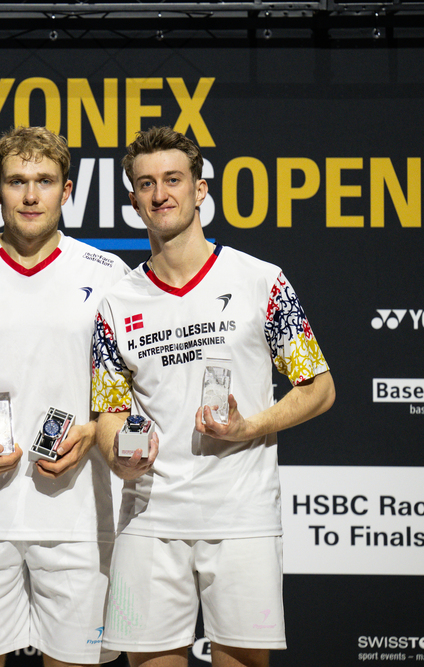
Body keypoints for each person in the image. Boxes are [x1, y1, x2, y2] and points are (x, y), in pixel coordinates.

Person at [92, 126, 336, 667]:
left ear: (200, 189)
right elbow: (109, 412)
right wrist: (119, 456)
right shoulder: (116, 303)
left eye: (173, 180)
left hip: (242, 516)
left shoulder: (261, 281)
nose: (161, 194)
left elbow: (319, 388)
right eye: (146, 184)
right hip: (149, 520)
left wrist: (249, 427)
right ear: (133, 200)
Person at [0, 126, 130, 667]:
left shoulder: (110, 276)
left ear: (67, 190)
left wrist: (92, 433)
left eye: (45, 181)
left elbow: (127, 396)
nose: (31, 195)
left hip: (78, 518)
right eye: (17, 181)